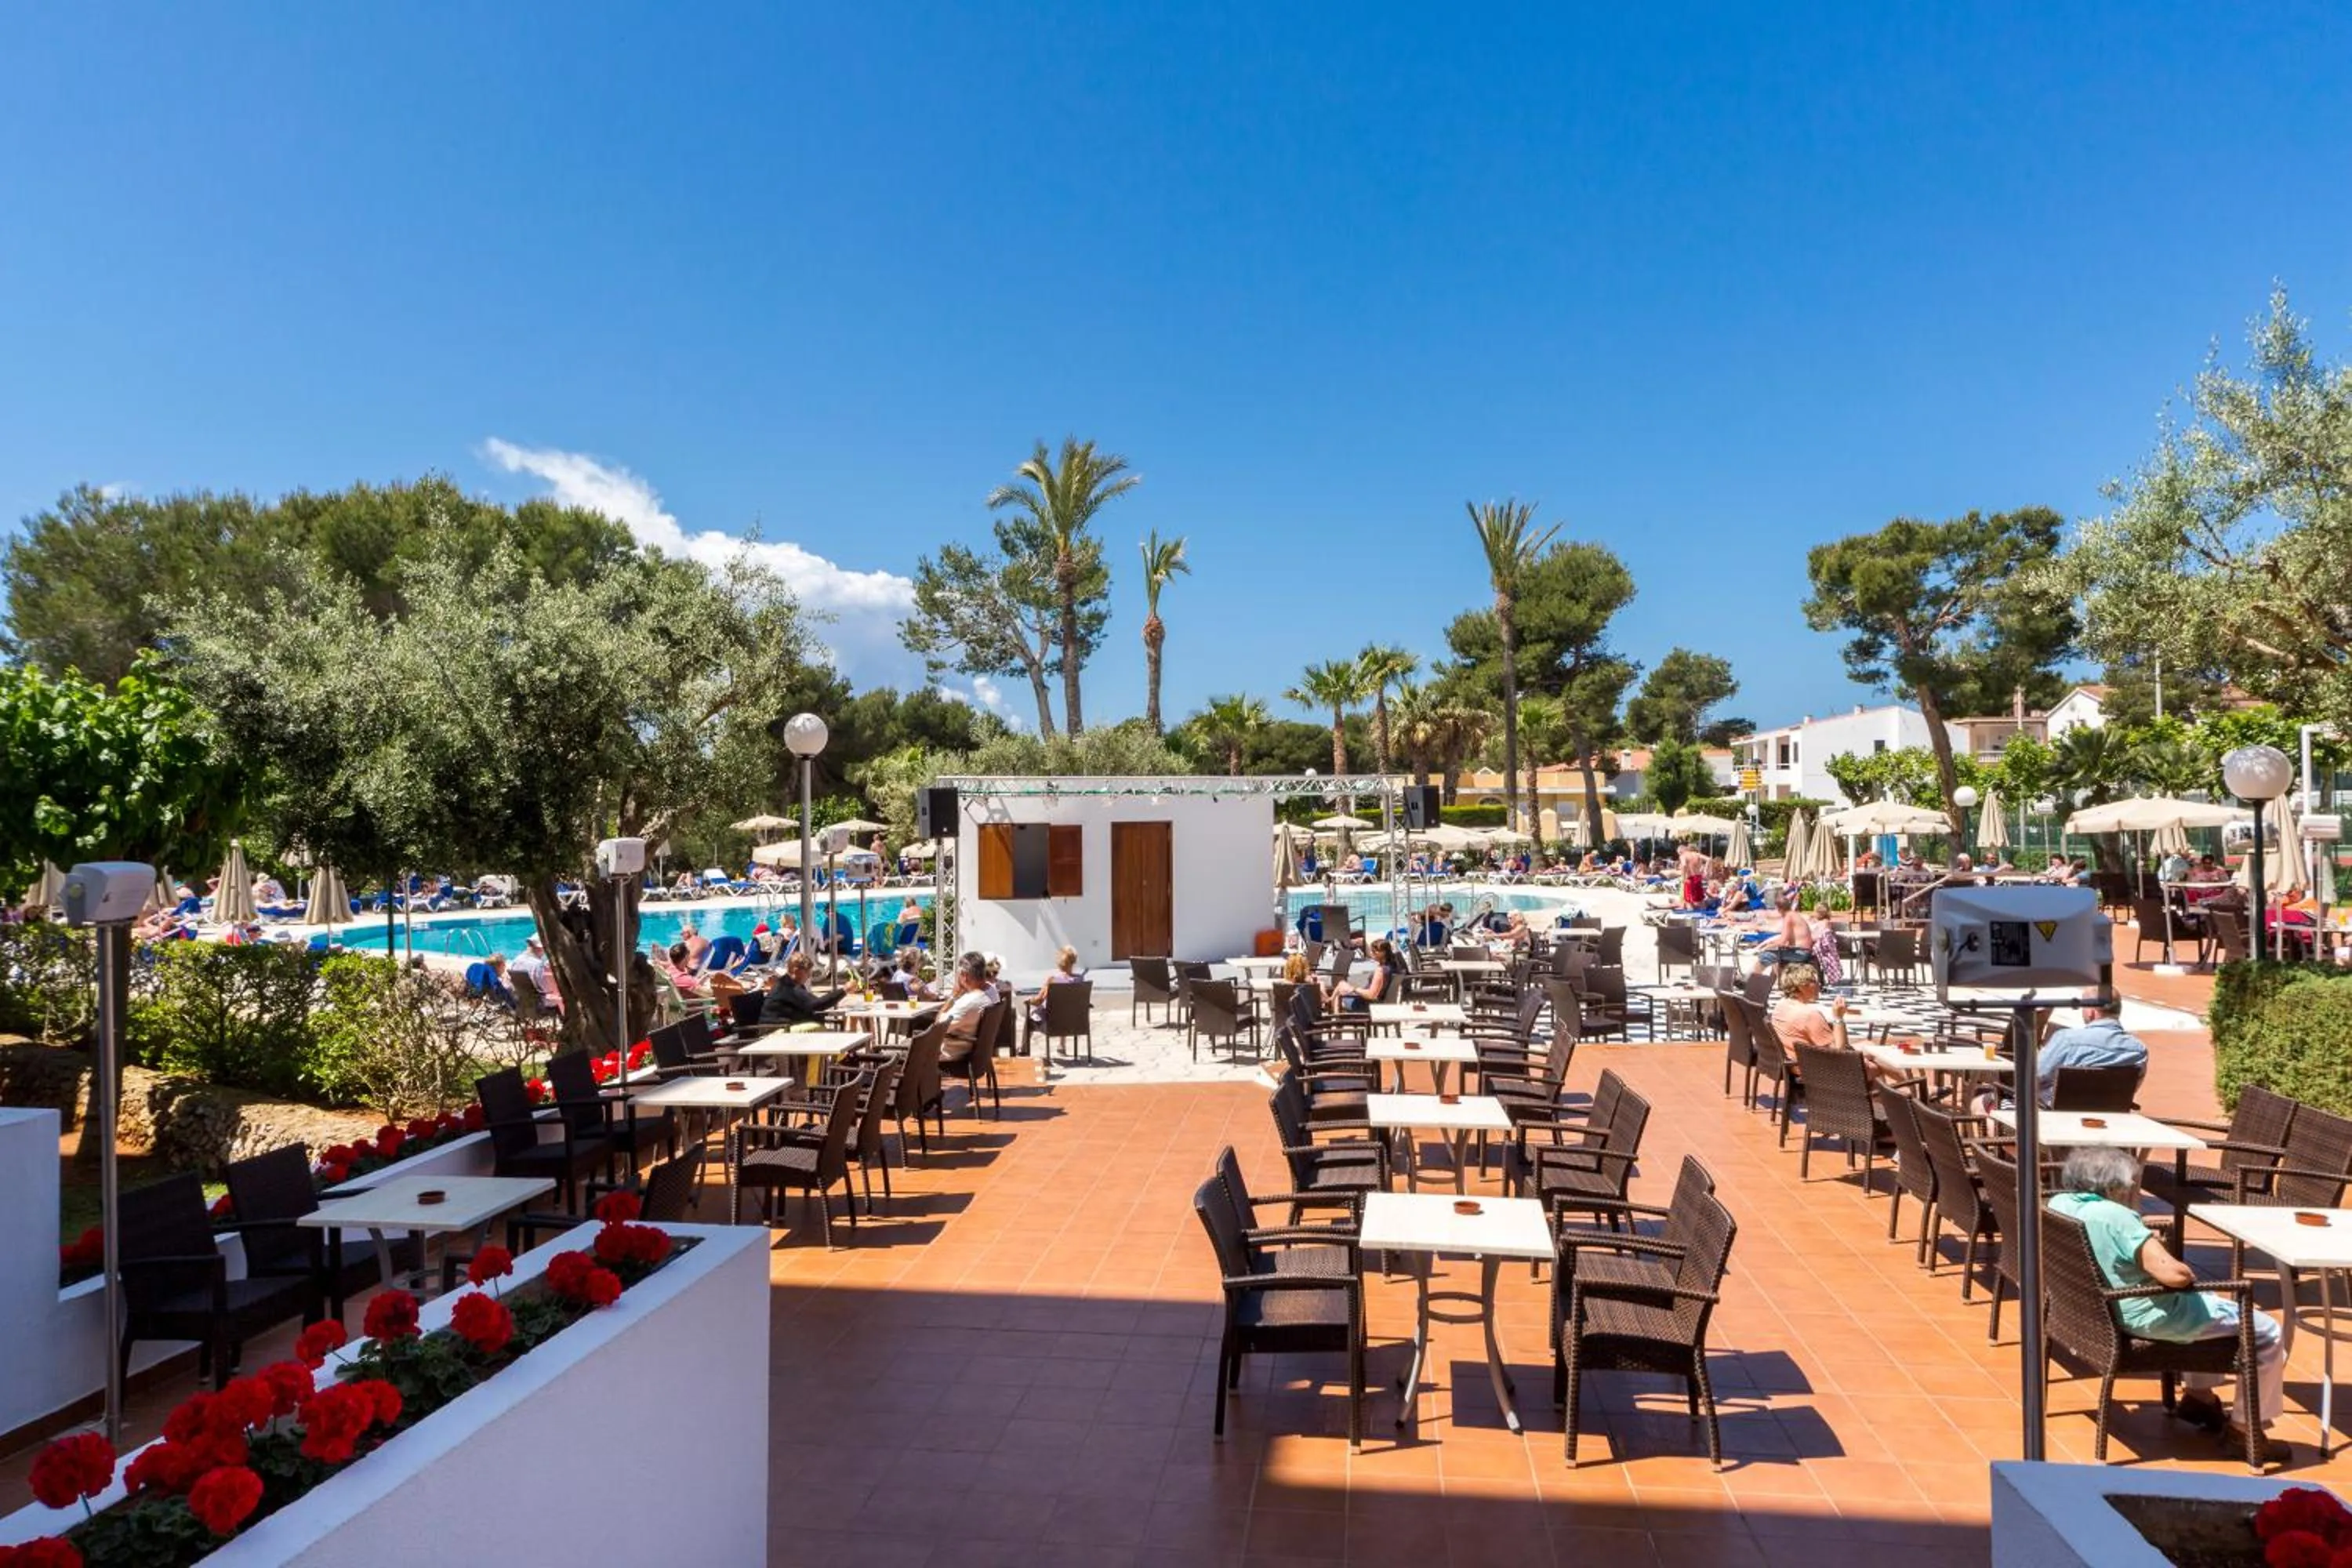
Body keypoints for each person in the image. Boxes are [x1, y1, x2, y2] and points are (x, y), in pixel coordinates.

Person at [2049, 1145, 2288, 1463]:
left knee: (2209, 1305)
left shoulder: (2060, 1203)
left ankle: (2200, 1398)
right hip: (2146, 1317)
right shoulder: (2114, 1217)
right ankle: (2244, 1431)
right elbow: (2174, 1275)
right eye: (2128, 1183)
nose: (2131, 1189)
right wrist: (2181, 1269)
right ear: (2110, 1187)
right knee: (2266, 1330)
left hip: (2096, 1311)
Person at [2035, 1004, 2149, 1107]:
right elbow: (2132, 1089)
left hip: (2056, 1113)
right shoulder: (2139, 1050)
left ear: (2092, 1012)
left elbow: (2035, 1076)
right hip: (2111, 1115)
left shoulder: (2066, 1039)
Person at [1023, 944, 1087, 1049]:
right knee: (1065, 1009)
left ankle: (1024, 1047)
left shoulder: (1053, 980)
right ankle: (1062, 1045)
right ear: (1074, 962)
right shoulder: (1080, 980)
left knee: (1032, 1015)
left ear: (1059, 963)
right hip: (1074, 1024)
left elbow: (1039, 1001)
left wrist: (1029, 1001)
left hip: (1052, 1024)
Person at [759, 953, 846, 1028]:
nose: (809, 976)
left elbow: (816, 1002)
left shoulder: (790, 984)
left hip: (784, 1027)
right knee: (816, 1027)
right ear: (795, 971)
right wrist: (844, 990)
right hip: (774, 1030)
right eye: (807, 972)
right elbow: (818, 1005)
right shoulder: (788, 987)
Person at [1332, 937, 1403, 1013]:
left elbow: (1371, 995)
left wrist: (1354, 989)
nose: (1372, 953)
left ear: (1384, 952)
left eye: (1375, 951)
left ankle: (1336, 1020)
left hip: (1367, 1005)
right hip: (1375, 1002)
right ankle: (1330, 1002)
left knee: (1339, 992)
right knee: (1341, 984)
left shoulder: (1381, 971)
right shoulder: (1392, 967)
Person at [510, 934, 562, 1011]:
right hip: (540, 1004)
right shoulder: (538, 965)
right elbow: (546, 990)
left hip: (524, 1002)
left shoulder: (516, 961)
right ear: (540, 948)